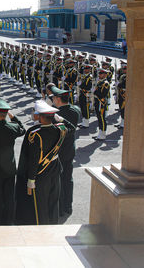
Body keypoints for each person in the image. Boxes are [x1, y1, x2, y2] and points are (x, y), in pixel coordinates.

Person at [15, 100, 67, 225]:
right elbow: (68, 126)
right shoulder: (61, 130)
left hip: (40, 173)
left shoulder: (36, 134)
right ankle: (53, 227)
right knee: (53, 202)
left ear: (41, 118)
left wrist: (31, 179)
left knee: (41, 206)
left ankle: (42, 231)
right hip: (54, 169)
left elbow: (33, 159)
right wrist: (58, 119)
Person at [51, 87, 81, 217]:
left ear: (58, 99)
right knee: (68, 179)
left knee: (57, 180)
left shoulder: (56, 114)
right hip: (69, 149)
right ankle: (67, 205)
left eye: (53, 98)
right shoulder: (75, 110)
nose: (52, 100)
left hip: (58, 150)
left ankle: (59, 206)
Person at [93, 68, 110, 140]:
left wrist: (95, 91)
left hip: (101, 103)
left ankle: (103, 134)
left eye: (101, 73)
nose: (99, 75)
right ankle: (100, 133)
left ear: (105, 75)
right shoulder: (100, 82)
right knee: (99, 118)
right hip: (98, 101)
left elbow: (103, 94)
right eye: (99, 73)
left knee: (102, 118)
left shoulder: (105, 83)